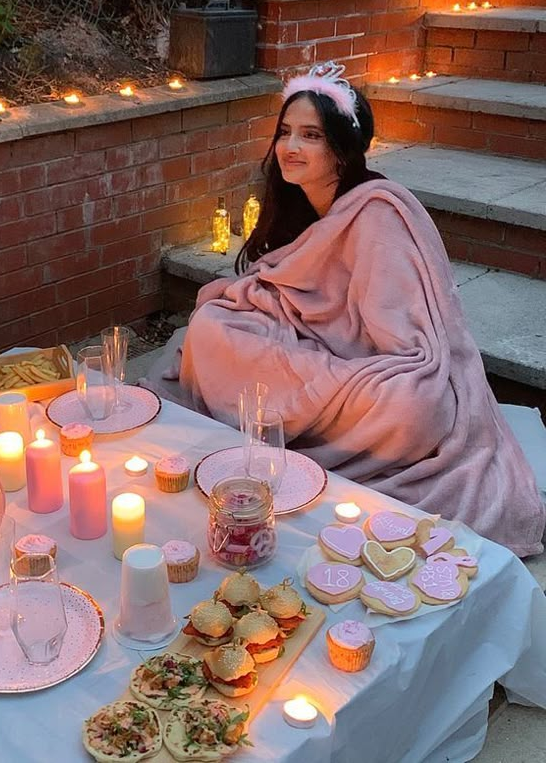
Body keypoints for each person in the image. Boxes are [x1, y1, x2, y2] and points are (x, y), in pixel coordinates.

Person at [146, 63, 545, 557]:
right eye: (285, 133)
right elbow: (290, 286)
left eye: (310, 135)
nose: (290, 147)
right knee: (210, 326)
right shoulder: (300, 205)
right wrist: (281, 317)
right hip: (313, 350)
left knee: (416, 408)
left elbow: (410, 348)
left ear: (343, 148)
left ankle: (287, 411)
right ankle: (283, 404)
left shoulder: (379, 215)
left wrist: (329, 363)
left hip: (375, 367)